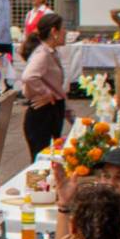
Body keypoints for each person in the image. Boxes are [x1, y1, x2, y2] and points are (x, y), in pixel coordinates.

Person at [21, 12, 70, 160]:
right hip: (42, 114)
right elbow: (29, 76)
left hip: (53, 111)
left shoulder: (51, 52)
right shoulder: (42, 54)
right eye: (63, 29)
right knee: (41, 159)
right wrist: (46, 93)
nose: (65, 32)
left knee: (51, 158)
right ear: (54, 32)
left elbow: (55, 85)